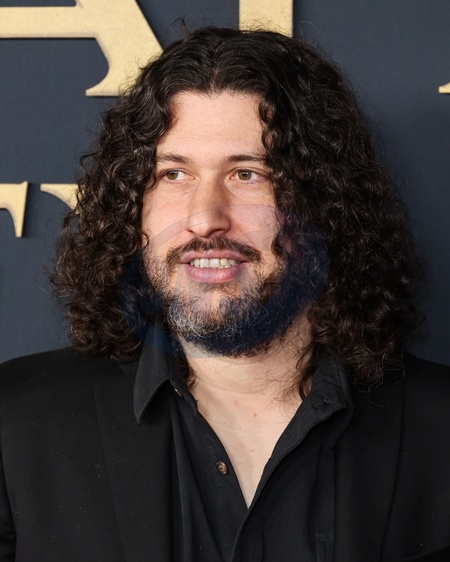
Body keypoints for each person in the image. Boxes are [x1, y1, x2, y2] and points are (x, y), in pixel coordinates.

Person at [1, 27, 450, 562]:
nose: (204, 218)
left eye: (247, 173)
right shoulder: (15, 423)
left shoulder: (439, 430)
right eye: (173, 174)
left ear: (324, 201)